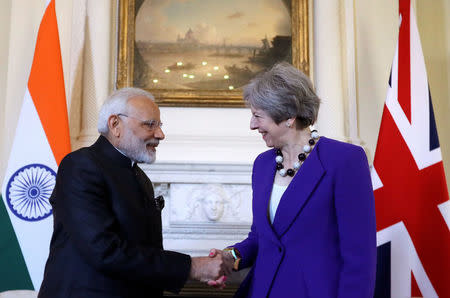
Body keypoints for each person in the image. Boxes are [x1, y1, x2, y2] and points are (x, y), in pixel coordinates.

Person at [38, 88, 230, 298]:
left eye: (159, 125)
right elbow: (104, 251)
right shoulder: (81, 166)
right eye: (150, 125)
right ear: (115, 125)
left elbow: (144, 253)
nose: (160, 134)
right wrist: (191, 267)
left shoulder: (140, 178)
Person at [211, 62, 377, 297]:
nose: (252, 125)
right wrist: (231, 257)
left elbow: (360, 258)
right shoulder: (262, 165)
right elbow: (261, 237)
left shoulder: (344, 160)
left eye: (258, 116)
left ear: (288, 116)